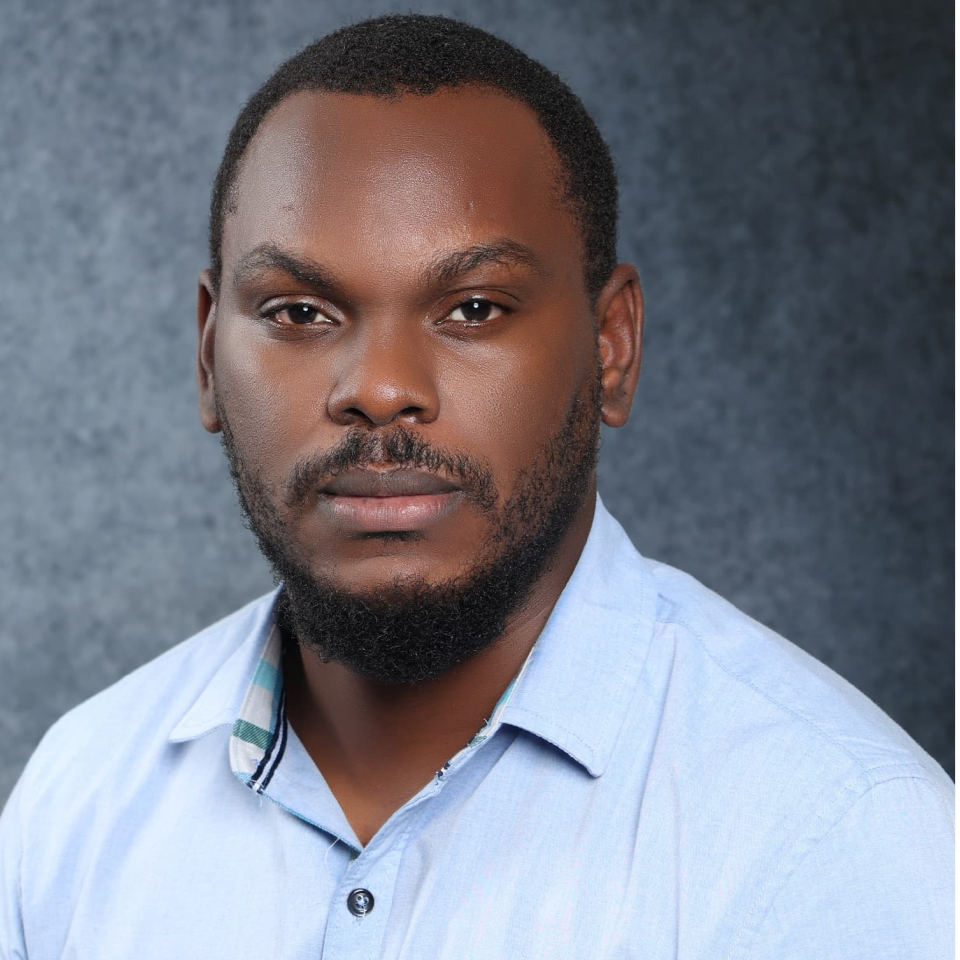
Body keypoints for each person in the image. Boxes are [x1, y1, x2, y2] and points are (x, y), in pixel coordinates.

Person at [0, 13, 952, 959]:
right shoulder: (77, 804)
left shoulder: (841, 839)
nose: (380, 389)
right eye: (299, 311)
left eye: (474, 308)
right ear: (209, 354)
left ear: (611, 348)